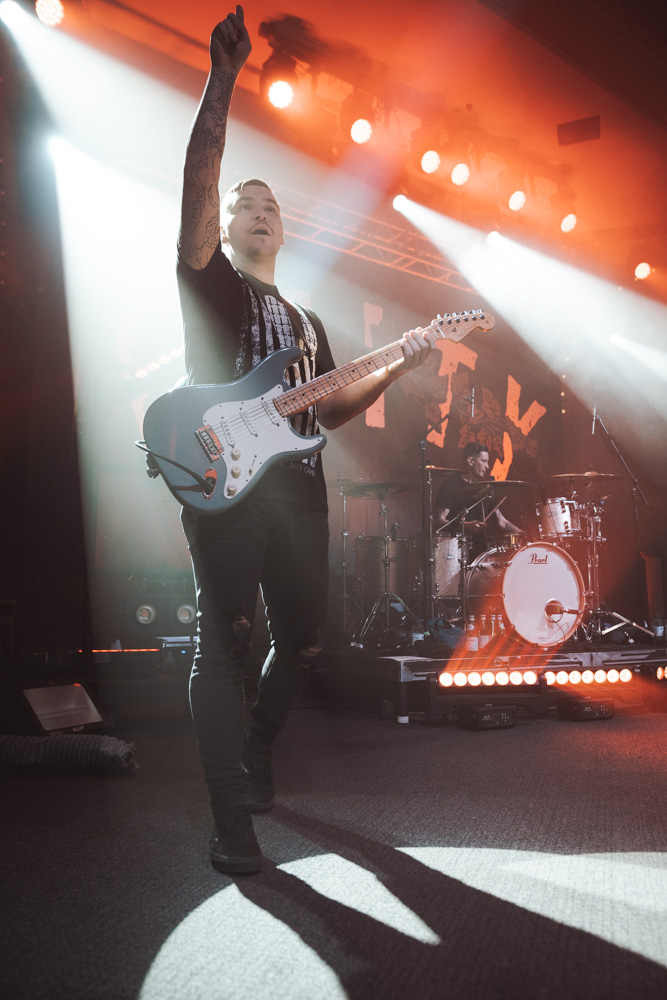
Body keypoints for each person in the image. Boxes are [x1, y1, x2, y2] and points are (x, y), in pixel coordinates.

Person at [177, 6, 436, 875]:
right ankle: (230, 820)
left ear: (283, 230)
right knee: (225, 641)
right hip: (226, 483)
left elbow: (325, 412)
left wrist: (395, 364)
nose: (258, 210)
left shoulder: (307, 320)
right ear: (224, 225)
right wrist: (222, 81)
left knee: (303, 642)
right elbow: (200, 177)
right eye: (244, 204)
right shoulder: (210, 282)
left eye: (270, 205)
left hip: (298, 490)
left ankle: (257, 746)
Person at [435, 442, 523, 555]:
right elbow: (438, 522)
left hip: (481, 553)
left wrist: (522, 533)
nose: (487, 467)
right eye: (484, 461)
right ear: (470, 461)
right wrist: (466, 526)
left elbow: (502, 522)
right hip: (455, 551)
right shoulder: (450, 485)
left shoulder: (484, 488)